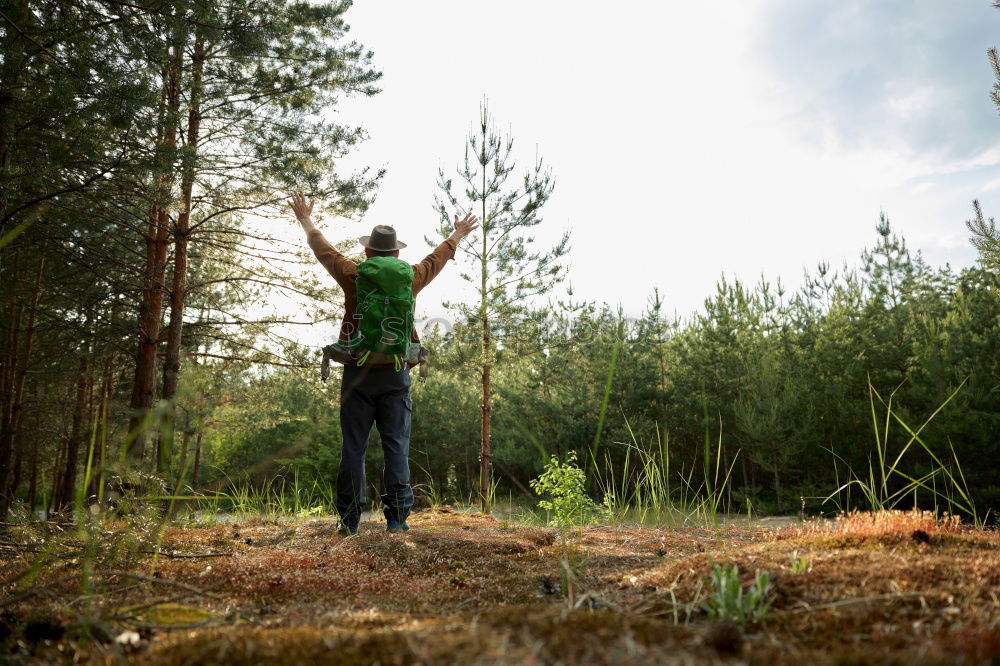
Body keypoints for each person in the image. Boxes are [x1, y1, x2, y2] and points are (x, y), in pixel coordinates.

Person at [288, 193, 478, 535]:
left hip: (358, 373)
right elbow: (436, 259)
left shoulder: (354, 274)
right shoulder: (411, 276)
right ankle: (397, 520)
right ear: (397, 254)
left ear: (367, 252)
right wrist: (458, 234)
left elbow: (324, 252)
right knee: (396, 448)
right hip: (395, 373)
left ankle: (349, 521)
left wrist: (306, 219)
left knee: (353, 449)